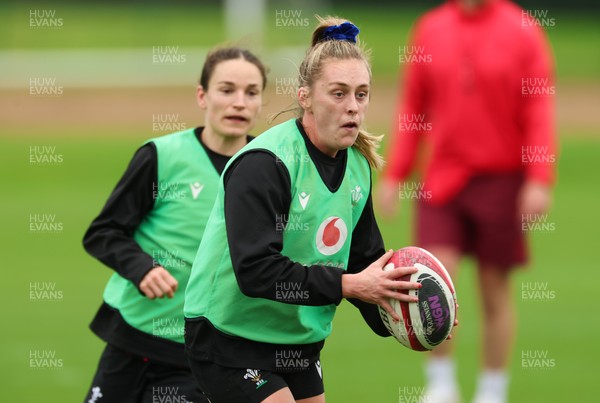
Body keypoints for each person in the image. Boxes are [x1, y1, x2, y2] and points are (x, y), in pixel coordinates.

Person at [183, 16, 428, 403]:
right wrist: (348, 285)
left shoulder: (358, 167)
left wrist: (412, 313)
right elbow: (255, 270)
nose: (353, 108)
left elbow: (365, 260)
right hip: (229, 336)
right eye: (338, 93)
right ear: (305, 96)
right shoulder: (266, 163)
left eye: (361, 94)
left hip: (297, 339)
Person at [378, 1, 556, 402]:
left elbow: (538, 107)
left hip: (502, 180)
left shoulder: (523, 29)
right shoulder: (430, 28)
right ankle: (441, 384)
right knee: (433, 279)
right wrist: (396, 173)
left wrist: (539, 177)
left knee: (494, 289)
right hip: (442, 180)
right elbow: (413, 106)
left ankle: (492, 390)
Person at [82, 46, 268, 403]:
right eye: (226, 90)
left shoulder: (270, 168)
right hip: (134, 339)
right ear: (203, 95)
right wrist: (142, 269)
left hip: (206, 350)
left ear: (261, 102)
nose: (239, 103)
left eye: (251, 92)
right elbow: (103, 232)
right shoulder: (161, 156)